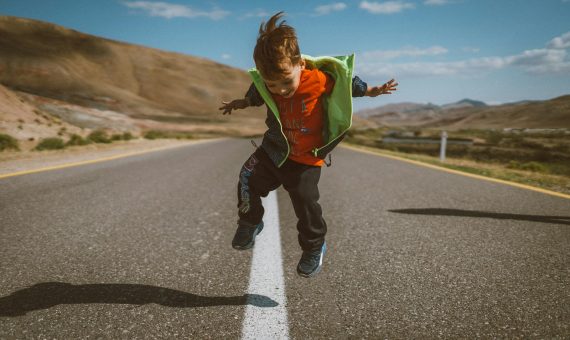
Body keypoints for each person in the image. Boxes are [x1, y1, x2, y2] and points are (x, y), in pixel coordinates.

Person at [219, 11, 398, 278]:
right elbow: (257, 92)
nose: (279, 90)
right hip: (274, 150)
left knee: (305, 206)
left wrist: (371, 91)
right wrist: (242, 102)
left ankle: (314, 247)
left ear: (300, 64)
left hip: (305, 159)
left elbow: (346, 82)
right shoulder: (267, 84)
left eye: (285, 82)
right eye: (272, 84)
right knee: (247, 178)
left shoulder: (319, 79)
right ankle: (249, 221)